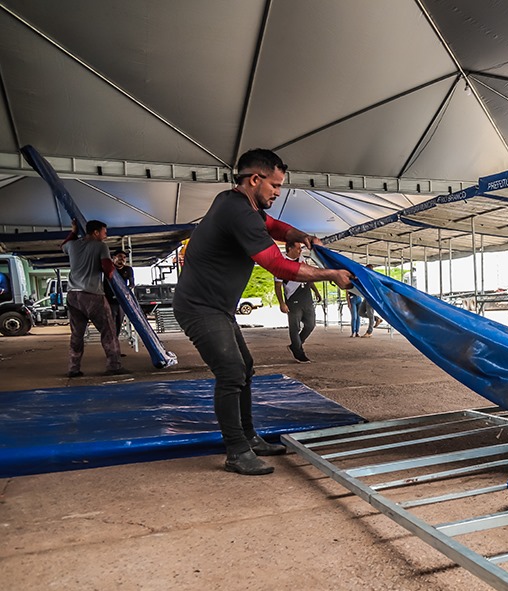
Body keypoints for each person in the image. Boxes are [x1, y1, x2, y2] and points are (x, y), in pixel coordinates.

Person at [172, 148, 353, 476]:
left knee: (246, 368)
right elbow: (276, 264)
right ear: (255, 179)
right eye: (275, 185)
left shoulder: (242, 205)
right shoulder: (237, 213)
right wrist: (330, 275)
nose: (278, 192)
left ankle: (249, 436)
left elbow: (278, 227)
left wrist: (306, 237)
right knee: (230, 372)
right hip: (199, 307)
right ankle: (236, 450)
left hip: (219, 307)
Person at [61, 219, 126, 377]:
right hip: (92, 295)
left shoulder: (72, 245)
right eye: (104, 231)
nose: (106, 234)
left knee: (77, 334)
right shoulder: (100, 246)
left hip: (72, 295)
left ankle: (73, 368)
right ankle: (114, 366)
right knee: (108, 331)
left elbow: (63, 246)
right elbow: (107, 268)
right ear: (96, 232)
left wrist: (74, 231)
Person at [274, 239, 322, 361]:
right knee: (295, 327)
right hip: (293, 298)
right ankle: (299, 352)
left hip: (306, 295)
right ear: (290, 248)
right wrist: (281, 303)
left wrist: (316, 291)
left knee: (311, 324)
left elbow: (308, 276)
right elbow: (278, 286)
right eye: (298, 248)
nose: (300, 250)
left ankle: (296, 345)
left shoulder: (302, 259)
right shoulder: (281, 263)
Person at [104, 249, 135, 344]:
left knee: (118, 323)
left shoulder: (128, 270)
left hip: (121, 301)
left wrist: (125, 292)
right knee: (110, 324)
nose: (122, 259)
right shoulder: (109, 270)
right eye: (120, 257)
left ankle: (115, 346)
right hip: (109, 301)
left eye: (124, 258)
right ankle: (110, 347)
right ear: (114, 258)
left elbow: (132, 284)